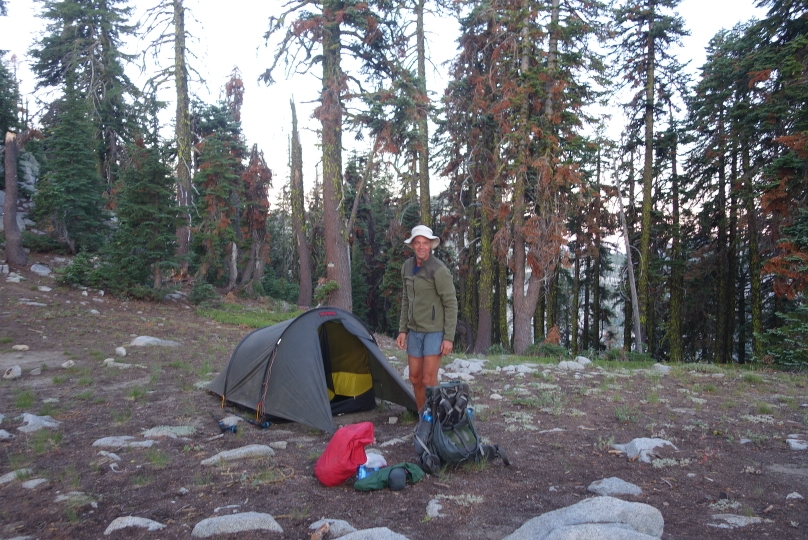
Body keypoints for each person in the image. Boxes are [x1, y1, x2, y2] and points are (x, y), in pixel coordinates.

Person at [396, 225, 458, 411]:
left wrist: (448, 337)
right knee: (414, 377)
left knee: (428, 379)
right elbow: (406, 299)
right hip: (414, 331)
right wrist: (403, 330)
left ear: (430, 245)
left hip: (434, 331)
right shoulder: (407, 267)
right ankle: (424, 417)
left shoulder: (439, 270)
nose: (421, 247)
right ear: (412, 245)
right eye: (417, 243)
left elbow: (451, 303)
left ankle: (435, 419)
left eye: (425, 243)